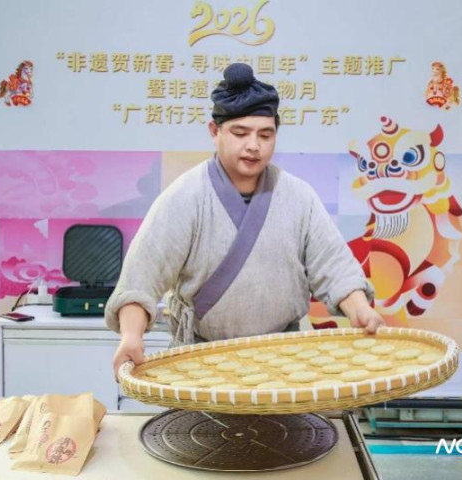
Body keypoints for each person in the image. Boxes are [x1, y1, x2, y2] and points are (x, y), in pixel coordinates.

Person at [106, 63, 384, 377]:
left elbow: (334, 267)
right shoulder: (185, 196)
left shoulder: (298, 196)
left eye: (265, 135)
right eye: (240, 133)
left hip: (285, 359)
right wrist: (131, 335)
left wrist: (359, 309)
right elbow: (142, 276)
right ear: (215, 132)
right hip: (202, 360)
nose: (254, 145)